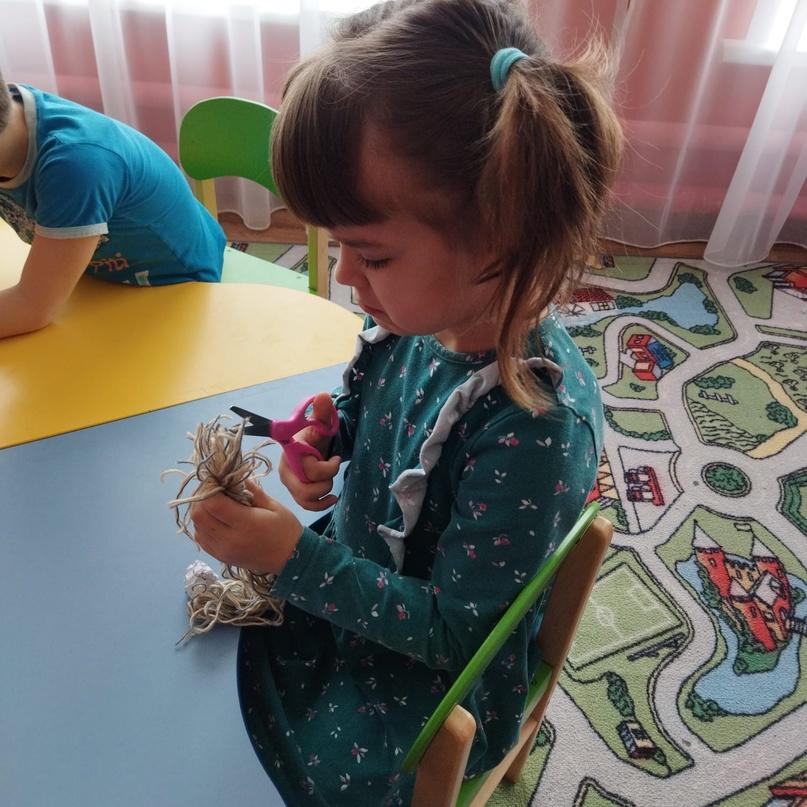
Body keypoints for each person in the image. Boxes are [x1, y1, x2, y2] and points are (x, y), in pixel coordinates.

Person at [190, 0, 623, 803]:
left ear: (497, 235)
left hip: (423, 669)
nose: (344, 277)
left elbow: (458, 636)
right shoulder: (417, 315)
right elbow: (374, 406)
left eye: (372, 254)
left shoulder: (534, 428)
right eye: (338, 245)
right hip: (357, 577)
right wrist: (332, 432)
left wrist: (294, 559)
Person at [0, 72, 225, 338]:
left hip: (175, 283)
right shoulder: (12, 120)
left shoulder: (74, 166)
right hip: (95, 274)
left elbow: (32, 307)